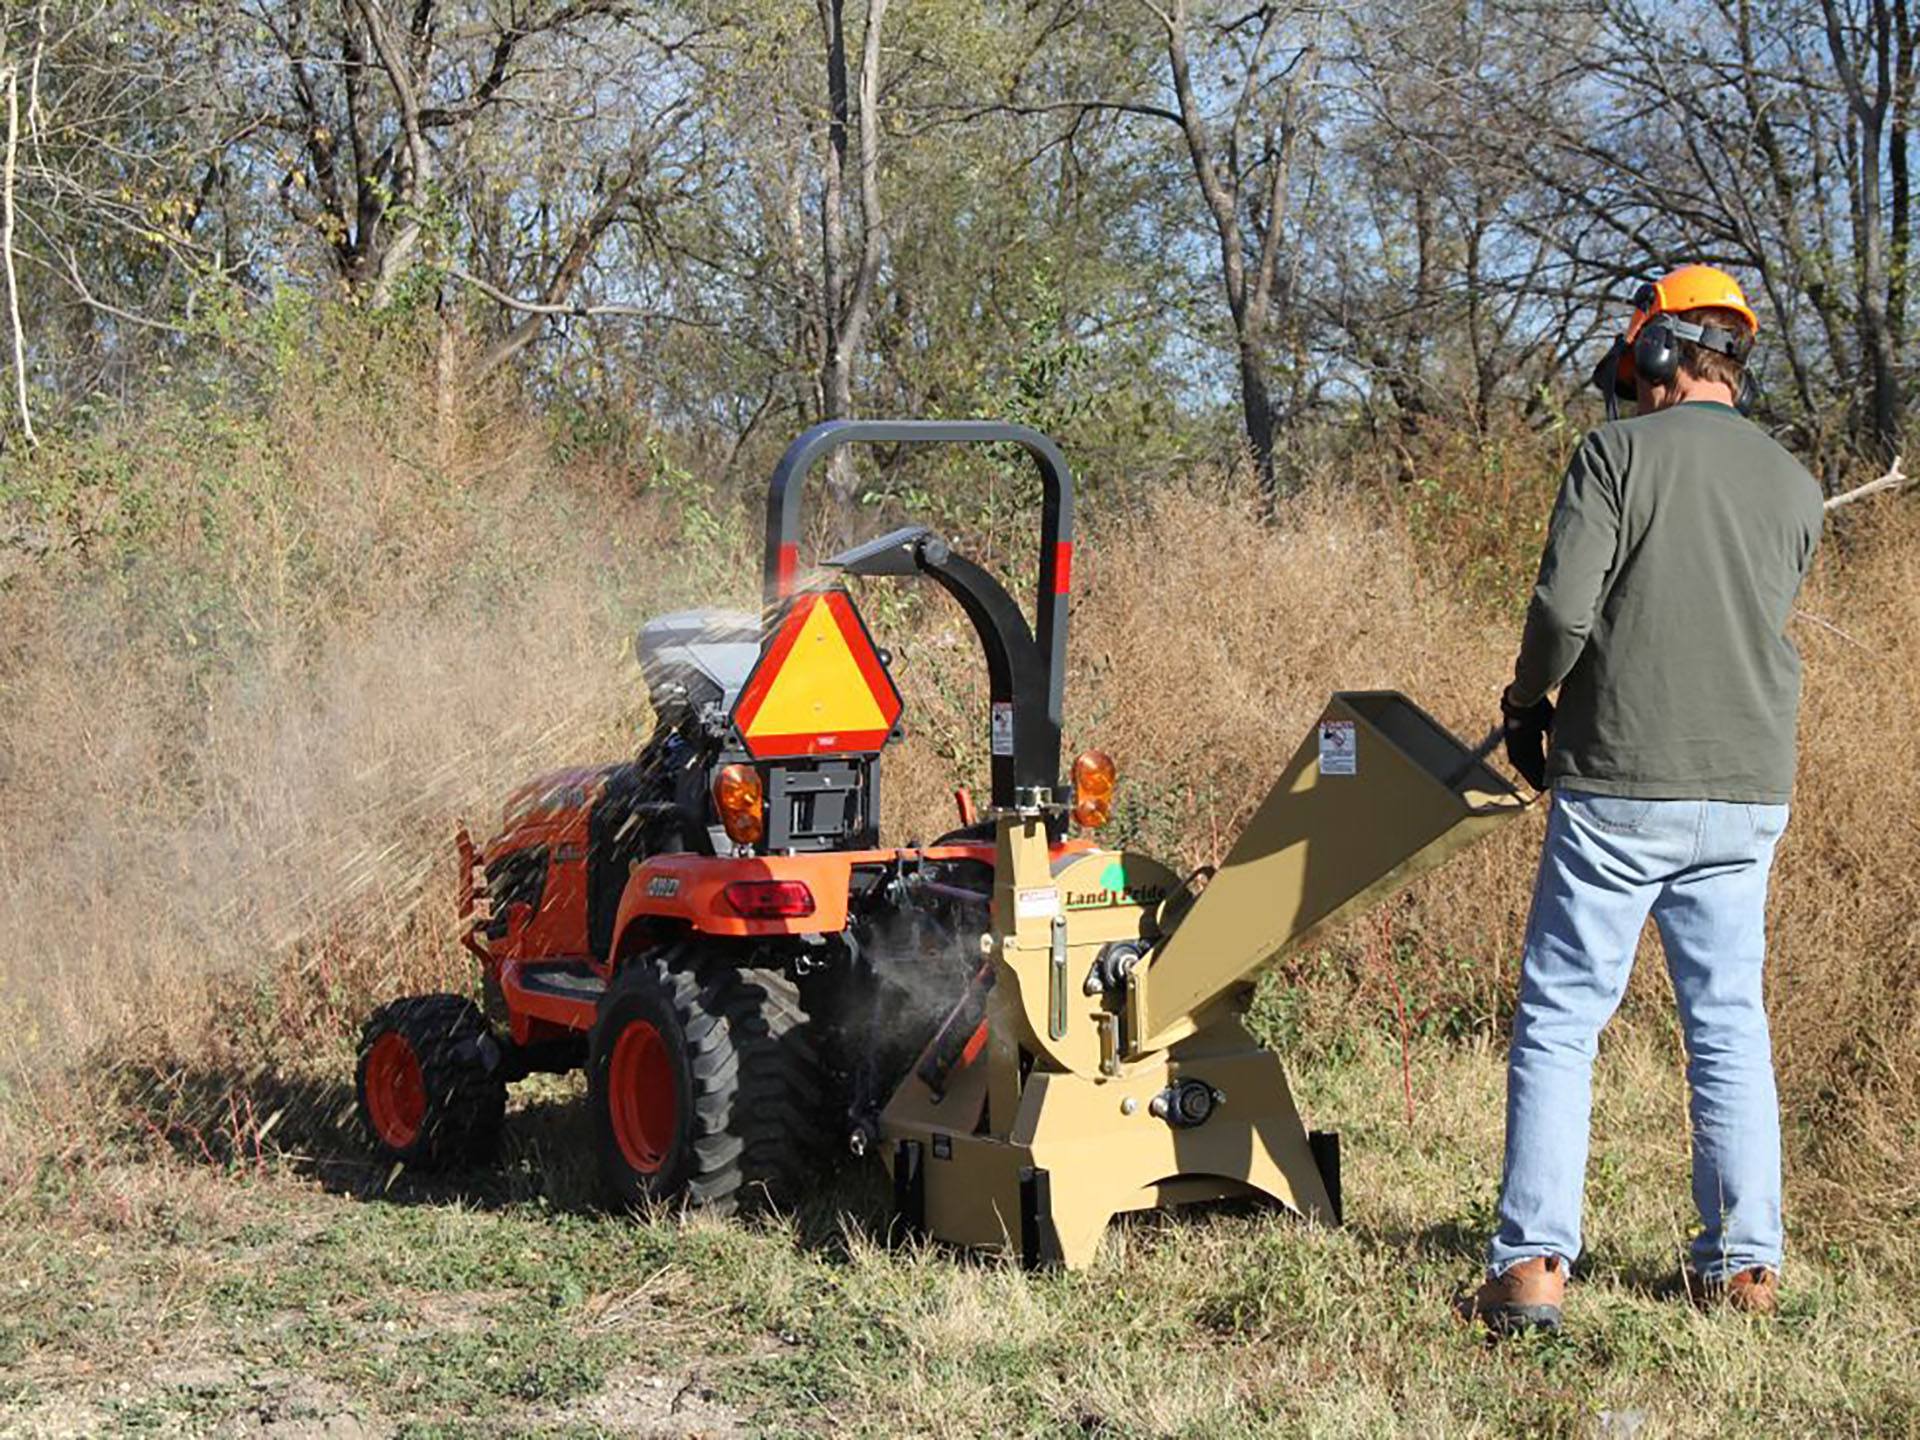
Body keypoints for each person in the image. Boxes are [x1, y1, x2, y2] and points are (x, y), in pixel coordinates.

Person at [1465, 266, 1825, 1335]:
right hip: (1750, 788)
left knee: (1564, 1023)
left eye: (1633, 363)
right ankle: (1743, 1268)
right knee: (1727, 1025)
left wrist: (1527, 700)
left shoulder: (1613, 455)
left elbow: (1565, 610)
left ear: (1661, 354)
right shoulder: (1796, 485)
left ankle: (1531, 1267)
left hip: (1622, 781)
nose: (1627, 383)